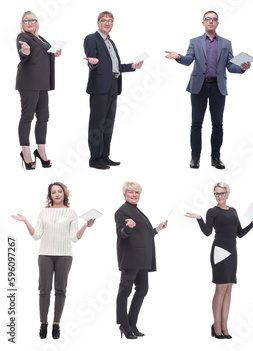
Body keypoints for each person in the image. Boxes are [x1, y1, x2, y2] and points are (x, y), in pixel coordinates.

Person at [165, 11, 251, 170]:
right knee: (196, 123)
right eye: (207, 19)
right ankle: (195, 157)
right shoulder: (195, 42)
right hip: (199, 86)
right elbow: (188, 60)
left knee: (218, 124)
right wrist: (178, 56)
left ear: (217, 23)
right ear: (203, 22)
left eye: (214, 19)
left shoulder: (226, 43)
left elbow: (230, 66)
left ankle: (216, 157)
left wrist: (242, 68)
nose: (211, 21)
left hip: (218, 87)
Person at [10, 183, 94, 339]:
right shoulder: (43, 212)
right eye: (53, 192)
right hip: (45, 255)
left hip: (64, 255)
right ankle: (43, 324)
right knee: (44, 290)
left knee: (61, 290)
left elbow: (74, 238)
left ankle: (56, 325)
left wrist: (85, 226)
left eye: (59, 191)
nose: (56, 194)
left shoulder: (71, 213)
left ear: (64, 194)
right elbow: (36, 236)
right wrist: (25, 221)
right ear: (49, 195)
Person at [184, 182, 253, 339]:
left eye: (222, 193)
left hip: (232, 252)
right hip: (219, 251)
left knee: (229, 289)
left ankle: (225, 325)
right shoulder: (212, 211)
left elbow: (239, 233)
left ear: (228, 194)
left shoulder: (233, 211)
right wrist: (199, 218)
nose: (219, 196)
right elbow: (207, 232)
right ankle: (216, 325)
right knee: (220, 289)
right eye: (217, 194)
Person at [83, 11, 144, 170]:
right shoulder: (91, 38)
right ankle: (95, 159)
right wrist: (93, 63)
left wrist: (132, 66)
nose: (107, 23)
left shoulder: (110, 42)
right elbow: (92, 60)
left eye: (110, 21)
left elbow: (114, 66)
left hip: (113, 84)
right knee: (97, 123)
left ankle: (104, 156)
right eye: (104, 20)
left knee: (108, 123)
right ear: (98, 22)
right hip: (100, 86)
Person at [114, 181, 168, 339]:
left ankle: (132, 323)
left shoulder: (137, 211)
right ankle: (124, 325)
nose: (134, 195)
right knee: (125, 292)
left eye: (137, 192)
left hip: (143, 259)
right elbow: (122, 233)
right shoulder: (122, 212)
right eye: (131, 192)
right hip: (131, 258)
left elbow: (144, 234)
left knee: (142, 290)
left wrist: (157, 229)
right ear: (124, 194)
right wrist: (128, 227)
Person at [15, 11, 61, 170]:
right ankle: (25, 152)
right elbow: (24, 54)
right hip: (28, 83)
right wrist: (25, 51)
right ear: (22, 23)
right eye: (26, 20)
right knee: (27, 116)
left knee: (44, 116)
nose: (30, 23)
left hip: (42, 83)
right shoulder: (23, 37)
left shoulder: (40, 37)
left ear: (37, 22)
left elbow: (43, 55)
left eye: (32, 20)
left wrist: (54, 53)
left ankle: (40, 150)